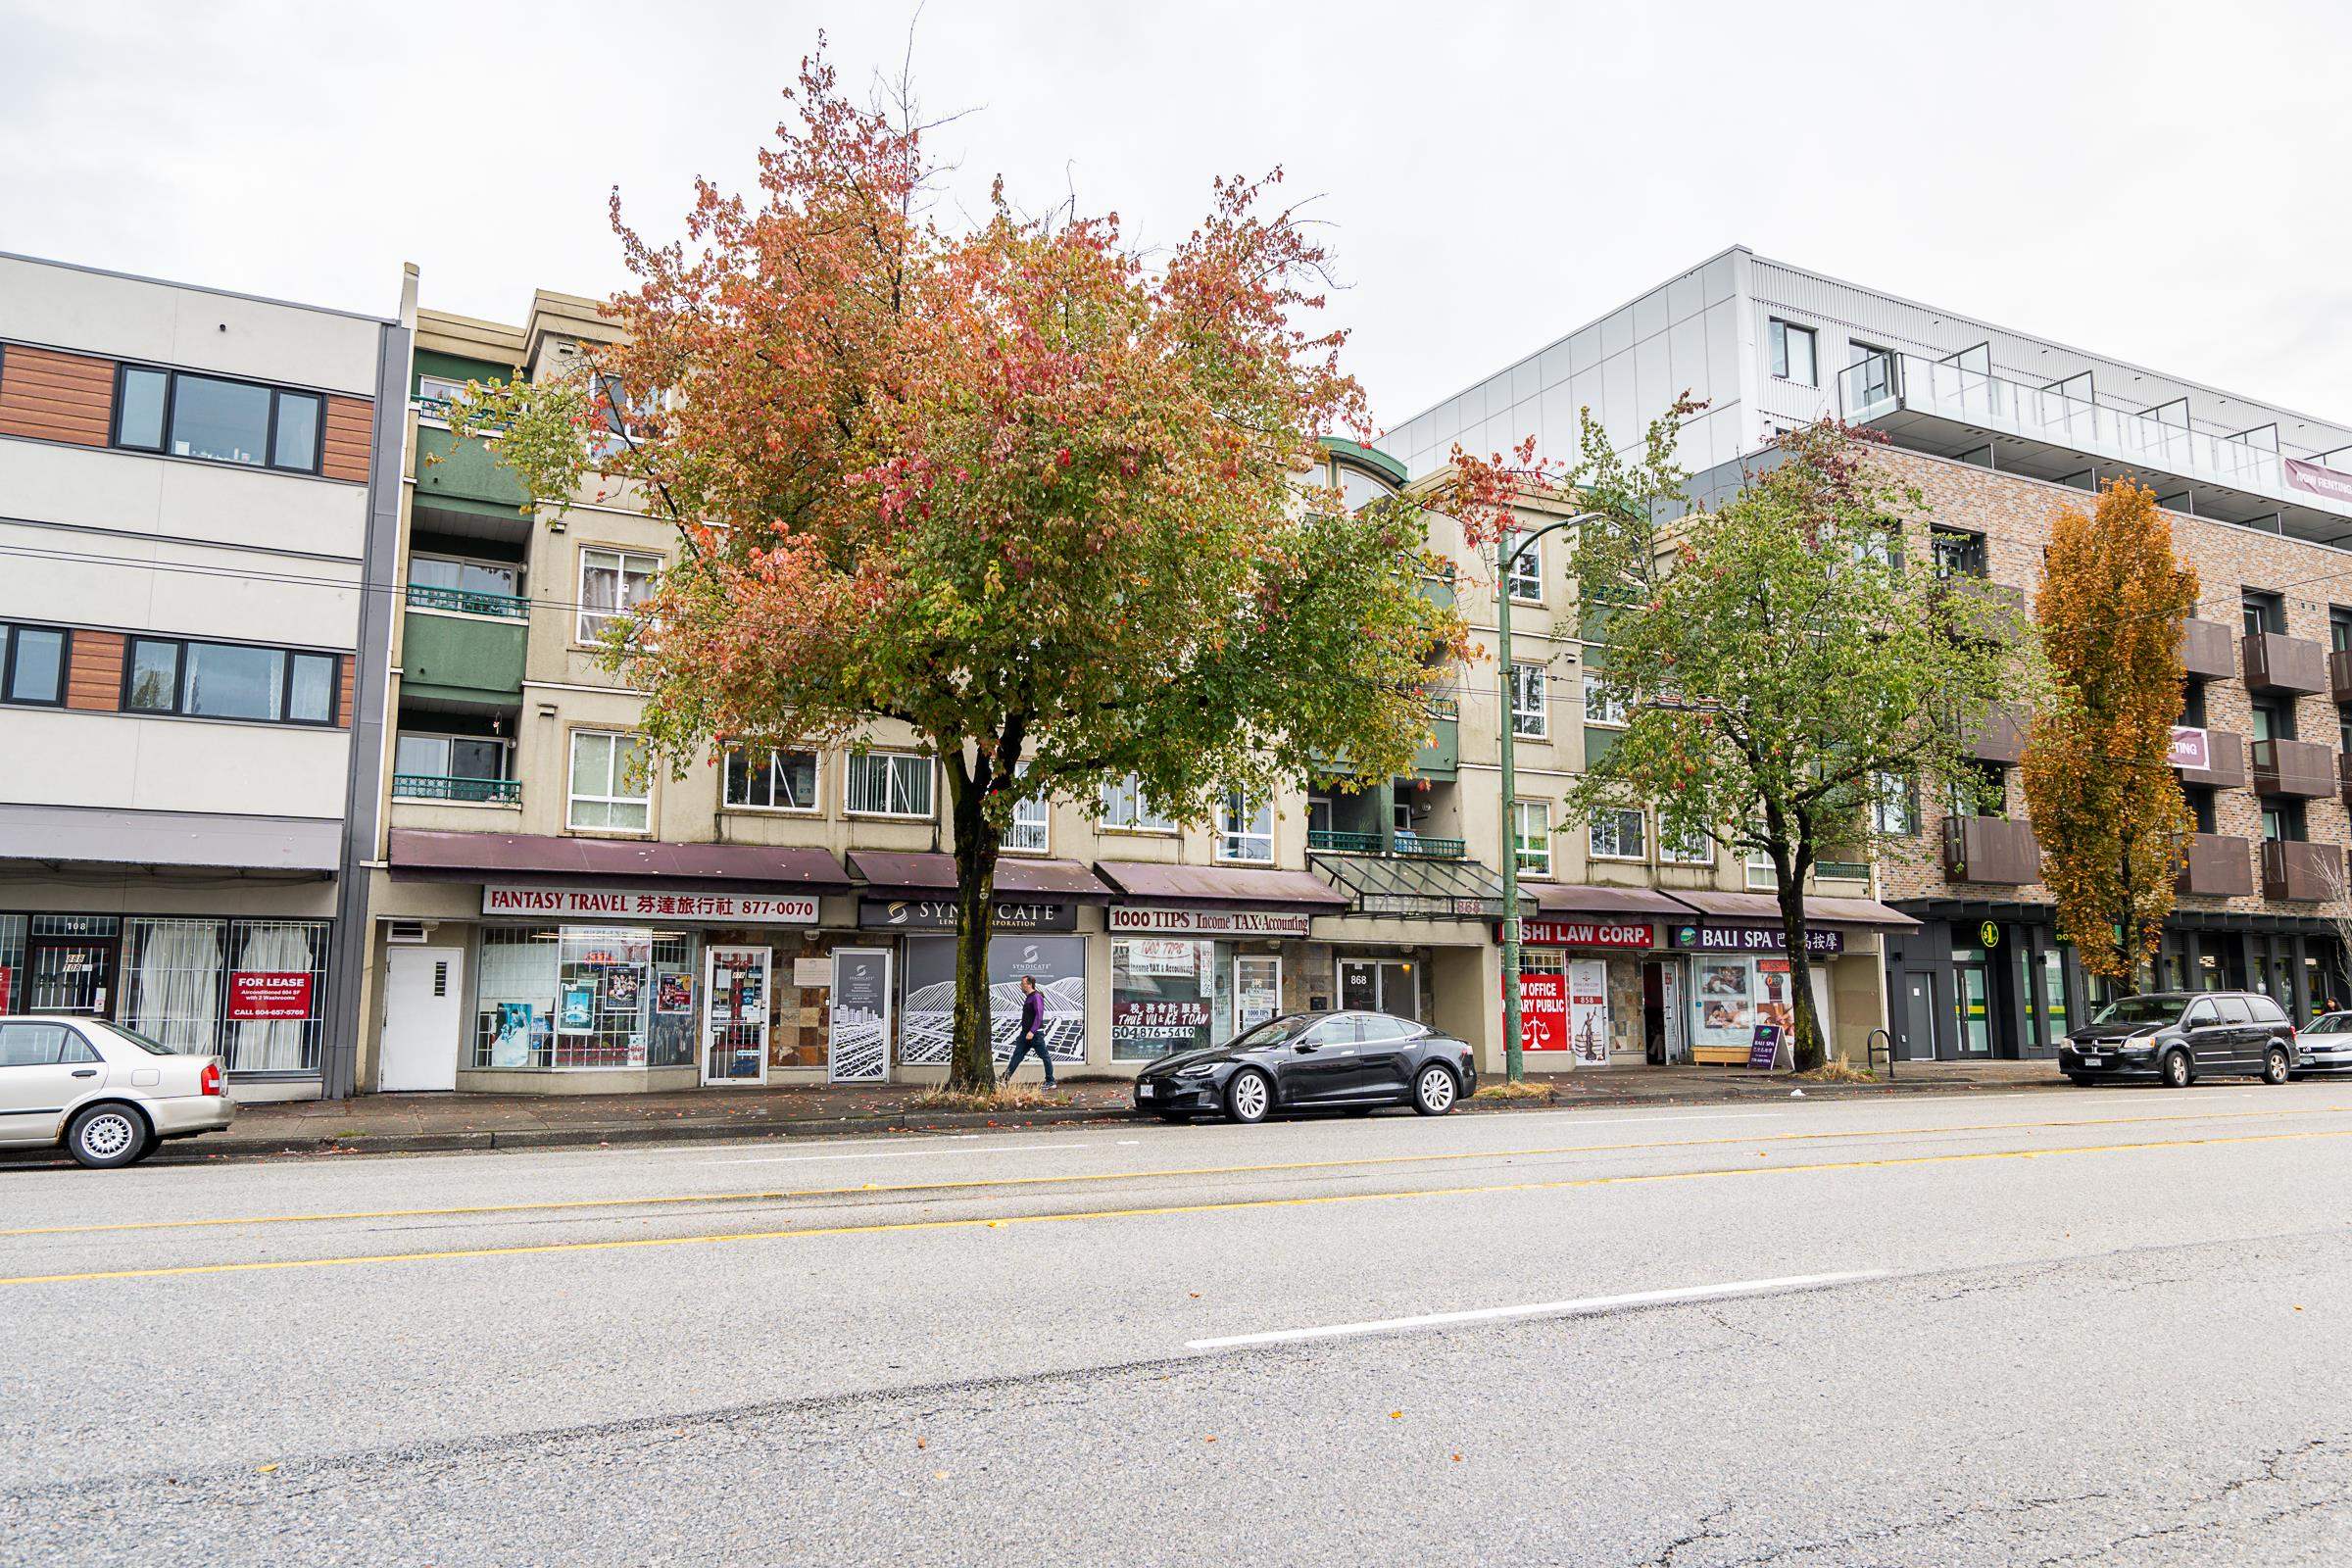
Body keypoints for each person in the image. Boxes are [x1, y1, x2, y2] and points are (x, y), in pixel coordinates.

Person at [1004, 974, 1056, 1088]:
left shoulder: (1036, 997)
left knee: (1045, 1056)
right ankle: (1004, 1080)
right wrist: (1027, 1032)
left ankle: (1050, 1081)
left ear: (1029, 985)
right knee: (1017, 1056)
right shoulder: (1029, 997)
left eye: (1022, 984)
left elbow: (1039, 1015)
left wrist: (1032, 1031)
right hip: (1025, 1034)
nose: (1020, 986)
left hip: (1035, 1034)